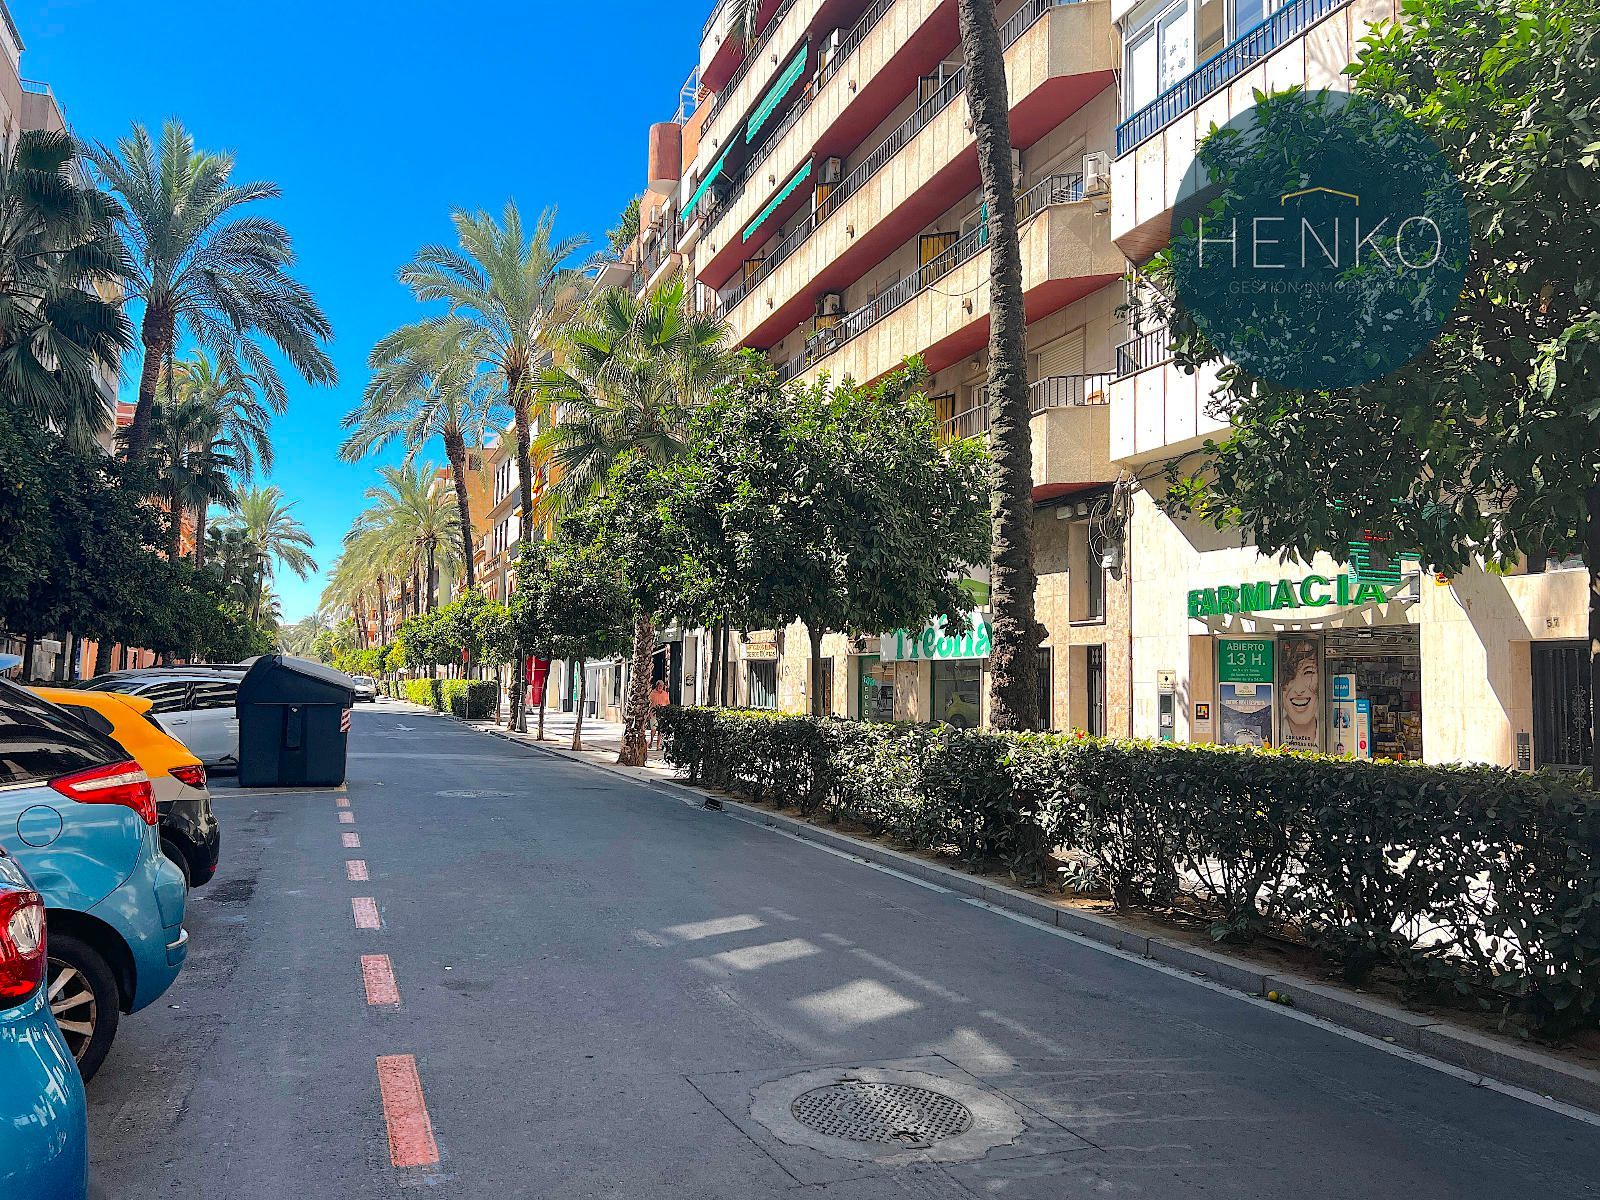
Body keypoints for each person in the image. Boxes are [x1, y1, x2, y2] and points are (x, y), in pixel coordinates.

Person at [648, 679, 670, 749]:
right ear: (656, 686)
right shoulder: (652, 693)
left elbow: (667, 703)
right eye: (659, 685)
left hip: (662, 714)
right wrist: (648, 713)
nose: (660, 687)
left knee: (660, 730)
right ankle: (651, 741)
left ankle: (658, 746)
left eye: (662, 686)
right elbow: (649, 704)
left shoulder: (665, 694)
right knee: (653, 729)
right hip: (653, 713)